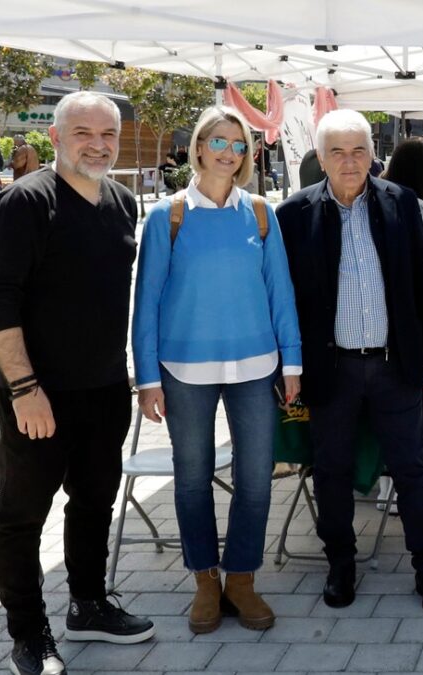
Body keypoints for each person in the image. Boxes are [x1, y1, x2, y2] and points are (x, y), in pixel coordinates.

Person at [0, 91, 155, 675]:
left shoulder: (122, 201)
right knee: (22, 516)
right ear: (55, 138)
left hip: (105, 389)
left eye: (108, 134)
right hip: (37, 395)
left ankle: (89, 605)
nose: (98, 145)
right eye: (84, 133)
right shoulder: (24, 202)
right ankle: (28, 634)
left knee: (95, 503)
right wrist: (25, 389)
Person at [132, 106, 301, 635]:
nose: (230, 152)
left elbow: (281, 292)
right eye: (220, 142)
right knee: (192, 478)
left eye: (239, 144)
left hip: (256, 366)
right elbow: (146, 302)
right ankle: (205, 580)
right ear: (199, 147)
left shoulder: (261, 213)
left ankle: (242, 579)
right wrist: (147, 378)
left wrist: (292, 362)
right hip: (183, 369)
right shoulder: (168, 217)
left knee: (256, 478)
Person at [276, 109, 423, 615]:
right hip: (330, 369)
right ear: (321, 157)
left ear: (373, 155)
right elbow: (284, 299)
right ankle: (340, 563)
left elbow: (421, 280)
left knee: (411, 468)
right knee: (331, 469)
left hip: (396, 365)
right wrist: (289, 367)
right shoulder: (294, 214)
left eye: (359, 151)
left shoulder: (401, 202)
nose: (350, 162)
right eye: (338, 152)